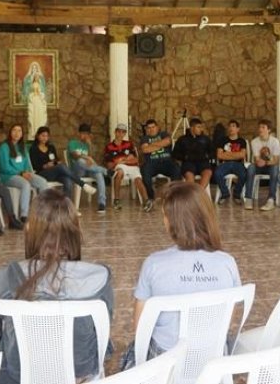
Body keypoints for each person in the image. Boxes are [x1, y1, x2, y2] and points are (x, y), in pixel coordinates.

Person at [0, 189, 113, 384]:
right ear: (76, 231)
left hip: (20, 372)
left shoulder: (8, 276)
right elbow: (103, 328)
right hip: (79, 373)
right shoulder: (99, 277)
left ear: (29, 229)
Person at [122, 182, 241, 368]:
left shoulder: (154, 264)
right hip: (212, 356)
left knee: (131, 353)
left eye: (164, 215)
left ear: (172, 221)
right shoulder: (227, 263)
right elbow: (229, 319)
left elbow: (141, 327)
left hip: (166, 360)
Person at [0, 124, 49, 221]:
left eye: (19, 131)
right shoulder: (4, 147)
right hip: (8, 176)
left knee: (43, 182)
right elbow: (4, 167)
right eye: (14, 130)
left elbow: (27, 164)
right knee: (25, 184)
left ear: (22, 134)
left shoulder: (22, 147)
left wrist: (27, 172)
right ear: (10, 132)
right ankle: (24, 215)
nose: (17, 133)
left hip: (23, 174)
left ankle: (44, 212)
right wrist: (20, 173)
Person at [29, 126, 96, 201]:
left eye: (47, 136)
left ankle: (66, 205)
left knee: (67, 180)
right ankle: (82, 184)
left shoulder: (51, 147)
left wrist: (57, 162)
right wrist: (45, 166)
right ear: (38, 136)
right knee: (61, 167)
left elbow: (56, 159)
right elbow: (34, 166)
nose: (45, 138)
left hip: (54, 172)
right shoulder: (33, 149)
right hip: (42, 173)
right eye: (43, 135)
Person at [139, 119, 182, 213]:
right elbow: (145, 150)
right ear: (146, 129)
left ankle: (174, 196)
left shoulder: (163, 134)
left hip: (167, 162)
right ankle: (151, 198)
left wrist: (151, 145)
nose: (151, 129)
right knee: (144, 172)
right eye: (149, 128)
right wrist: (161, 144)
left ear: (157, 127)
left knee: (177, 169)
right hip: (151, 163)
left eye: (153, 127)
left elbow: (167, 142)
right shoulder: (144, 138)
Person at [103, 123, 147, 210]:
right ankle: (117, 200)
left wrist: (123, 160)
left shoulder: (129, 144)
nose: (120, 134)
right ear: (115, 132)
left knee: (138, 179)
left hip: (132, 166)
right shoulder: (109, 147)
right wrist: (121, 161)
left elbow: (136, 160)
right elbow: (109, 165)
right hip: (119, 167)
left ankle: (146, 201)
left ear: (125, 133)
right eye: (119, 131)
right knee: (119, 172)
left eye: (123, 132)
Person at [67, 123, 108, 214]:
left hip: (87, 169)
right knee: (80, 161)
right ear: (79, 133)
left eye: (87, 134)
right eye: (83, 133)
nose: (85, 136)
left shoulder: (86, 145)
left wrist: (90, 146)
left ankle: (102, 203)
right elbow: (75, 155)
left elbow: (90, 161)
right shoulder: (72, 143)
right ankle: (105, 171)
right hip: (76, 170)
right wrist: (87, 158)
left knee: (98, 174)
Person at [244, 119, 280, 211]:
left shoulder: (275, 141)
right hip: (260, 166)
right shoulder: (254, 141)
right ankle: (248, 198)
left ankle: (271, 199)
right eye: (259, 127)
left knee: (275, 168)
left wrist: (266, 162)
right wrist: (259, 162)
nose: (260, 129)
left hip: (270, 166)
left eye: (263, 127)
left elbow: (276, 160)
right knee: (251, 167)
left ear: (269, 130)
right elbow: (257, 159)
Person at [172, 117, 214, 189]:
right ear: (192, 128)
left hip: (203, 162)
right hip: (188, 163)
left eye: (201, 127)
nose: (201, 129)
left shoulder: (205, 139)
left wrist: (207, 156)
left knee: (208, 173)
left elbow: (212, 151)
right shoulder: (182, 139)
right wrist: (185, 157)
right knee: (189, 176)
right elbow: (175, 154)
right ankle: (193, 193)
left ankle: (199, 192)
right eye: (198, 127)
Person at [213, 119, 247, 205]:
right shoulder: (222, 140)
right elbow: (219, 155)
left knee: (244, 174)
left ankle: (237, 194)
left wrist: (227, 154)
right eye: (230, 126)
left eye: (233, 126)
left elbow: (242, 155)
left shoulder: (242, 141)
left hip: (238, 164)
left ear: (238, 129)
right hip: (225, 164)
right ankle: (225, 194)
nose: (231, 128)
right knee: (217, 173)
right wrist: (235, 154)